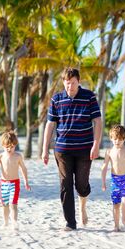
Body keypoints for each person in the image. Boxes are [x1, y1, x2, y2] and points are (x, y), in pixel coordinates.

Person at [42, 67, 102, 231]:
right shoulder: (56, 99)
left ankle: (82, 205)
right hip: (62, 149)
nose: (70, 87)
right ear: (63, 82)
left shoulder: (89, 97)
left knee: (81, 185)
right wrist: (44, 149)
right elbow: (50, 124)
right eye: (67, 84)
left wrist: (96, 145)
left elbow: (97, 121)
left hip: (84, 149)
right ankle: (70, 222)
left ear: (79, 81)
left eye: (73, 83)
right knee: (65, 184)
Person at [0, 131, 31, 230]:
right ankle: (6, 222)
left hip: (14, 183)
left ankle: (15, 222)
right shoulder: (1, 156)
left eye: (12, 147)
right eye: (7, 147)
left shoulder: (18, 156)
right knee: (5, 204)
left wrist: (26, 182)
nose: (9, 149)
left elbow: (23, 169)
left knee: (13, 203)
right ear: (3, 145)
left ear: (15, 145)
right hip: (3, 183)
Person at [101, 125, 125, 232]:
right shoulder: (109, 151)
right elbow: (104, 166)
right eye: (115, 139)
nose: (117, 141)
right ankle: (116, 225)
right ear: (111, 138)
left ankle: (124, 219)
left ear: (124, 139)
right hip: (114, 180)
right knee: (116, 204)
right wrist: (103, 182)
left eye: (120, 139)